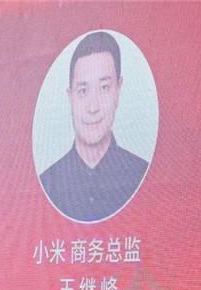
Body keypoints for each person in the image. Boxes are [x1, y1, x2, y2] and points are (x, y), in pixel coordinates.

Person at [39, 31, 149, 223]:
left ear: (118, 91)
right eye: (83, 91)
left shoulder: (142, 175)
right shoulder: (48, 183)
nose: (93, 107)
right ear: (70, 97)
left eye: (104, 88)